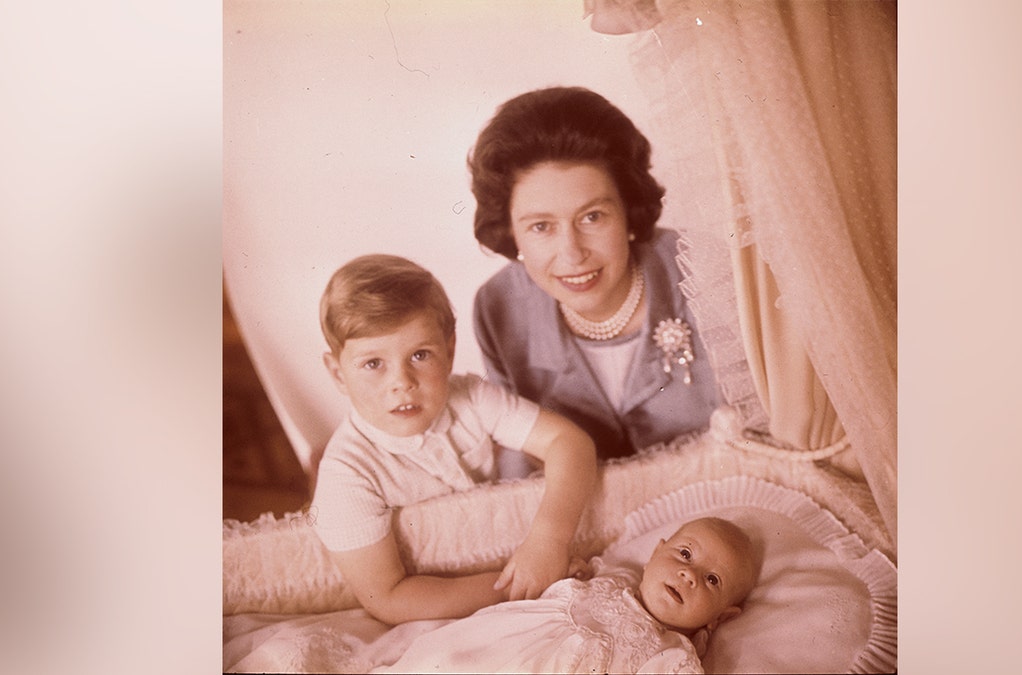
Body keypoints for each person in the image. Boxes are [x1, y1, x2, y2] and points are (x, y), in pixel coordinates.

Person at [309, 254, 598, 624]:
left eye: (420, 354)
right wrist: (520, 583)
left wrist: (548, 540)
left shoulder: (471, 397)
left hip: (517, 560)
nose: (402, 382)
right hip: (443, 605)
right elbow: (386, 597)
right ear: (337, 373)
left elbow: (569, 443)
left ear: (448, 351)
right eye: (373, 363)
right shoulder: (347, 474)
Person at [469, 86, 719, 478]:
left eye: (592, 217)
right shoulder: (498, 308)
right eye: (541, 226)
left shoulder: (705, 270)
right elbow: (519, 462)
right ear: (511, 233)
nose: (572, 253)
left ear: (628, 210)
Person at [377, 516, 759, 674]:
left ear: (720, 616)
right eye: (685, 554)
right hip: (501, 653)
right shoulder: (611, 576)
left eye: (712, 581)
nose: (688, 575)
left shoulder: (672, 655)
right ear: (655, 552)